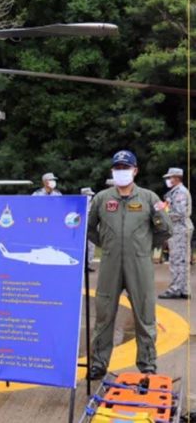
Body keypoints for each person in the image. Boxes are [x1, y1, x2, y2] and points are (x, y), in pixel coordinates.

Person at [87, 150, 172, 379]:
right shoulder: (102, 199)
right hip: (110, 264)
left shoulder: (149, 198)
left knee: (145, 315)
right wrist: (106, 243)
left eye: (126, 168)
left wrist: (144, 247)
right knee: (104, 315)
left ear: (135, 170)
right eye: (118, 168)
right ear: (112, 171)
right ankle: (98, 363)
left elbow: (165, 229)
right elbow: (89, 227)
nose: (121, 172)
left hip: (139, 265)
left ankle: (147, 364)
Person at [159, 167, 193, 299]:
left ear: (177, 178)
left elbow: (179, 213)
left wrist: (163, 214)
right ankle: (184, 289)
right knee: (182, 260)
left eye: (170, 177)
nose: (168, 180)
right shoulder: (176, 192)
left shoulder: (180, 192)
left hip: (179, 228)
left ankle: (176, 289)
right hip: (179, 228)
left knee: (177, 260)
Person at [81, 187, 96, 271]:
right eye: (88, 195)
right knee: (82, 247)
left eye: (91, 195)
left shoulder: (93, 204)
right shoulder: (79, 204)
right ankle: (82, 265)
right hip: (81, 229)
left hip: (90, 228)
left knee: (91, 246)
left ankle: (88, 264)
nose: (90, 197)